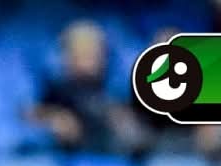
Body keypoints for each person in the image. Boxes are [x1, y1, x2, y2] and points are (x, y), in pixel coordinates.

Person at [28, 20, 144, 155]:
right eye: (80, 52)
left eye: (93, 52)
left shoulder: (118, 90)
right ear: (66, 56)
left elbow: (139, 135)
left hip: (113, 158)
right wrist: (53, 117)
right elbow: (30, 115)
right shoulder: (56, 89)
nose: (88, 60)